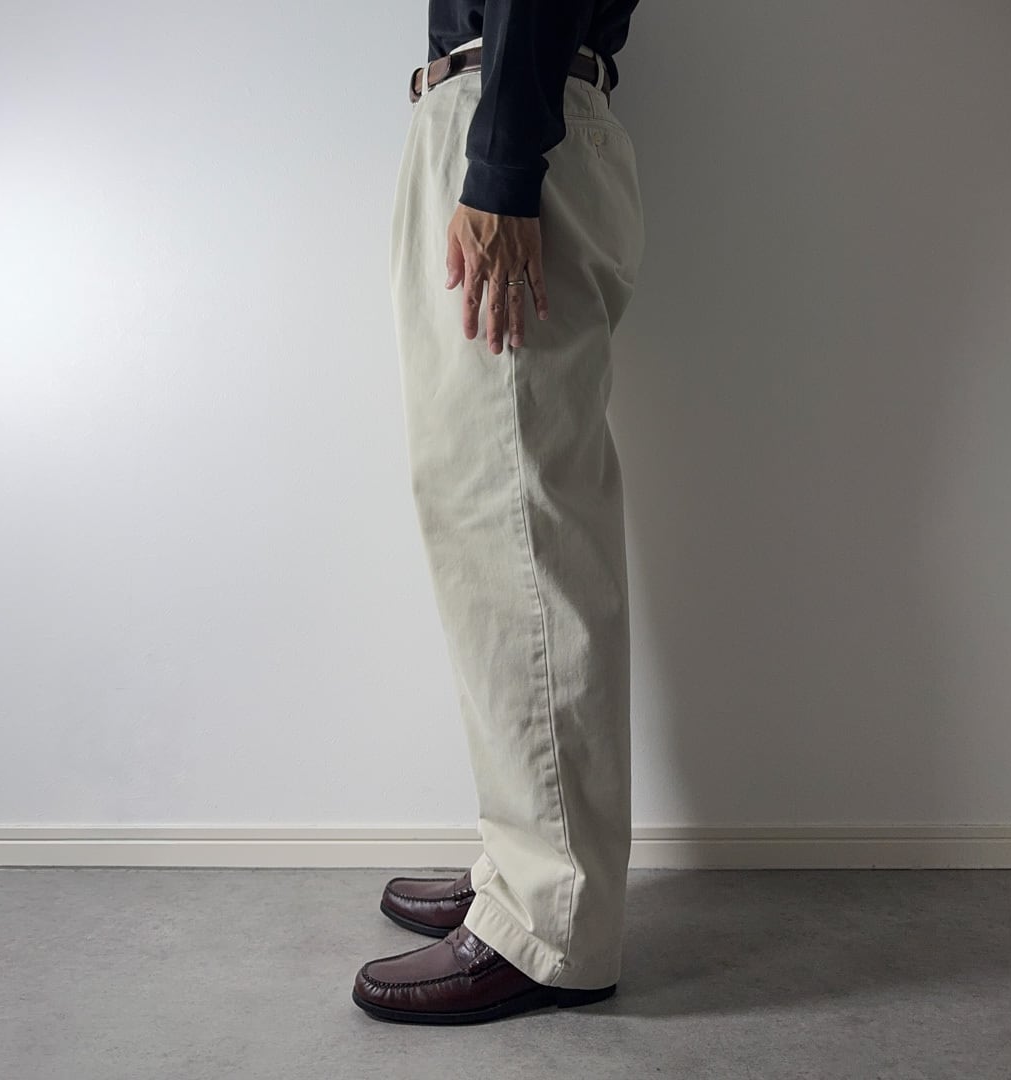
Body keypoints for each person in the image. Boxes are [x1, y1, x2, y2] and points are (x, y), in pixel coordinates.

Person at [352, 0, 644, 1025]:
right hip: (514, 115)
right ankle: (523, 868)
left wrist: (502, 168)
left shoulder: (508, 151)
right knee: (501, 528)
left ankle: (550, 924)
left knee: (516, 532)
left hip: (513, 126)